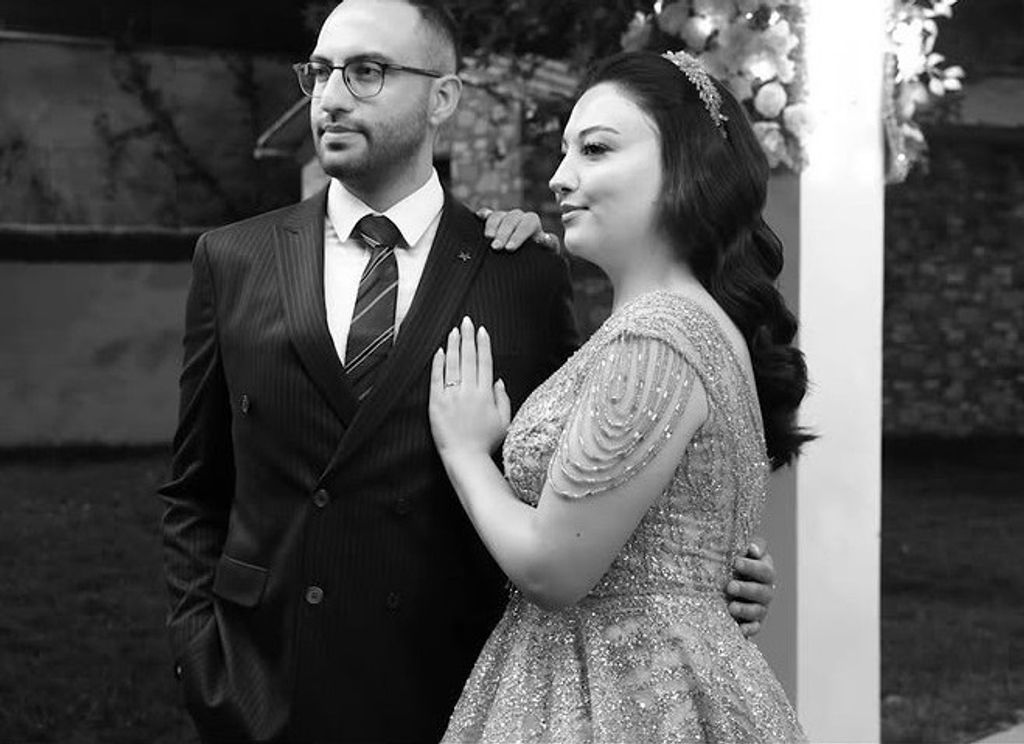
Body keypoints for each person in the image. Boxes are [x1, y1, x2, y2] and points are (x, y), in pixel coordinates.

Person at [158, 0, 778, 740]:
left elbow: (594, 479)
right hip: (264, 689)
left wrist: (701, 568)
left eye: (366, 71)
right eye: (319, 72)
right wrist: (202, 660)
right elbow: (195, 487)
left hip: (452, 692)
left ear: (443, 97)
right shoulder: (231, 259)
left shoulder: (520, 270)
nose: (329, 96)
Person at [428, 49, 811, 742]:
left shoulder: (654, 339)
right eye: (565, 151)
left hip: (613, 696)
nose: (560, 176)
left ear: (686, 169)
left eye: (596, 149)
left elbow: (552, 568)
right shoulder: (694, 325)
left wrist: (464, 452)